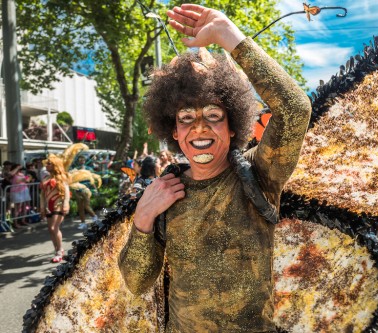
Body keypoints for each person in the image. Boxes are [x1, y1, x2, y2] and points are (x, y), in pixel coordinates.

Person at [118, 4, 311, 332]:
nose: (200, 128)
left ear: (233, 125)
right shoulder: (165, 192)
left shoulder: (260, 174)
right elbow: (137, 283)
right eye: (186, 119)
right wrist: (143, 218)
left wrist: (230, 38)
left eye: (213, 115)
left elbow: (294, 109)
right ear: (175, 132)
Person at [40, 154, 70, 263]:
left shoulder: (61, 177)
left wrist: (66, 203)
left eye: (49, 163)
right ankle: (57, 250)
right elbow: (42, 194)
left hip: (59, 204)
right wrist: (42, 206)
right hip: (49, 206)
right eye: (47, 163)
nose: (46, 165)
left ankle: (59, 250)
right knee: (50, 229)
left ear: (55, 165)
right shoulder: (46, 178)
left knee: (54, 228)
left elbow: (66, 191)